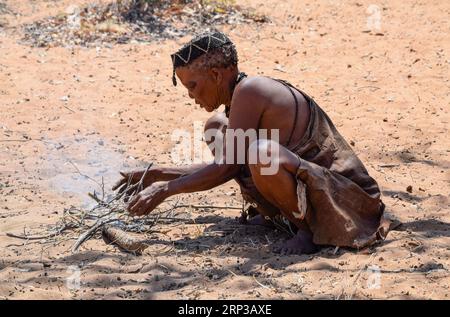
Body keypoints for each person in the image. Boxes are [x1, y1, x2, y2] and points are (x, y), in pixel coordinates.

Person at [113, 30, 389, 255]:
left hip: (343, 199)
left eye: (193, 86)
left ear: (216, 76)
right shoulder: (237, 100)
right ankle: (278, 214)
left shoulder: (250, 90)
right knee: (216, 128)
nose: (191, 96)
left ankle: (307, 232)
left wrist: (165, 189)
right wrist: (156, 174)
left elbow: (227, 168)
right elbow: (225, 164)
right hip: (313, 191)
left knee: (260, 153)